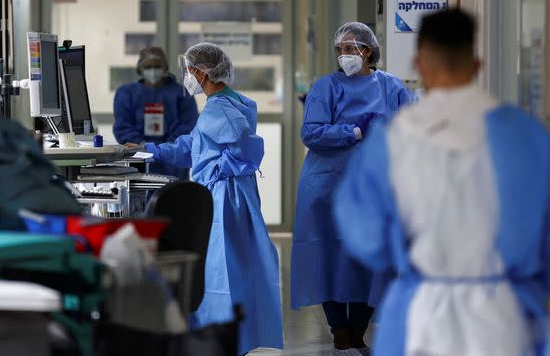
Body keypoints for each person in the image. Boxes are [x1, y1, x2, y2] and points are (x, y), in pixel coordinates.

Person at [333, 8, 550, 356]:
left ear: (419, 65)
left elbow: (366, 237)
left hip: (421, 313)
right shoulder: (524, 136)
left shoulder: (393, 139)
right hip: (504, 315)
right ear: (477, 65)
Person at [144, 43, 283, 355]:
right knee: (234, 271)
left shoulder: (220, 108)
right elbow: (195, 145)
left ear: (202, 72)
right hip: (232, 195)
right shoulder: (229, 101)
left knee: (222, 271)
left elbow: (246, 147)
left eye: (189, 70)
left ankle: (224, 341)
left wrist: (217, 169)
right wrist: (151, 150)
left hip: (224, 198)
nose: (186, 76)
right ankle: (231, 339)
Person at [291, 22, 412, 356]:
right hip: (328, 185)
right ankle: (340, 331)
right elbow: (311, 133)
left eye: (349, 48)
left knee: (370, 258)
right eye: (340, 49)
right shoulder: (325, 88)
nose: (344, 55)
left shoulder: (392, 88)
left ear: (367, 50)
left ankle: (357, 333)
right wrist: (354, 132)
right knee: (327, 254)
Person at [113, 47, 198, 179]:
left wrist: (165, 150)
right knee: (140, 196)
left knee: (173, 196)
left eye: (157, 66)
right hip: (138, 160)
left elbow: (187, 125)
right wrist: (142, 147)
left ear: (165, 67)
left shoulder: (182, 93)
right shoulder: (127, 93)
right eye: (148, 66)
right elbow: (123, 126)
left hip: (172, 162)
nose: (153, 70)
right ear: (140, 69)